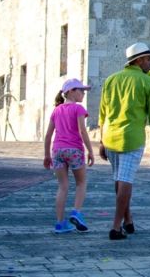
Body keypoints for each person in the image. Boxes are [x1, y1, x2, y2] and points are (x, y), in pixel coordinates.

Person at [98, 42, 150, 241]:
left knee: (119, 179)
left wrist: (101, 141)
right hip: (132, 139)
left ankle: (128, 220)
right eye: (148, 59)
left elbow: (103, 113)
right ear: (139, 60)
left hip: (110, 137)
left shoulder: (111, 80)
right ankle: (116, 227)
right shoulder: (147, 82)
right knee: (126, 181)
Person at [43, 78, 95, 233]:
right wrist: (90, 151)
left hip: (57, 151)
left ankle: (60, 223)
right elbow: (82, 131)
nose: (83, 94)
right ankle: (76, 212)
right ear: (71, 91)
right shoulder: (78, 109)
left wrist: (47, 155)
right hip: (74, 150)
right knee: (81, 183)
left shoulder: (56, 110)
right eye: (81, 90)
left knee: (63, 186)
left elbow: (48, 135)